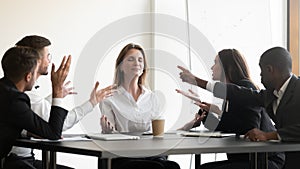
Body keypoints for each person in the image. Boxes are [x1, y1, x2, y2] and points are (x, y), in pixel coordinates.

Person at [178, 46, 300, 169]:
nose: (260, 74)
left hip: (267, 159)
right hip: (279, 159)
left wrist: (269, 135)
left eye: (262, 70)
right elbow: (238, 94)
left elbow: (244, 126)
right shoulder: (272, 94)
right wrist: (198, 84)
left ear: (270, 69)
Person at [4, 35, 115, 169]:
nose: (50, 60)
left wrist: (25, 131)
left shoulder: (8, 91)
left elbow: (16, 118)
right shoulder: (20, 97)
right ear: (36, 62)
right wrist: (60, 94)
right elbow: (56, 130)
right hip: (15, 162)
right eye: (48, 56)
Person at [99, 43, 180, 169]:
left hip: (151, 154)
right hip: (123, 157)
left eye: (140, 60)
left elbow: (158, 132)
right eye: (131, 59)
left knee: (172, 166)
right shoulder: (109, 98)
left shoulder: (152, 97)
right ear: (120, 67)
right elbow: (110, 137)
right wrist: (107, 132)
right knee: (156, 168)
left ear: (143, 68)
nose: (136, 63)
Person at [0, 46, 69, 161]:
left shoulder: (4, 90)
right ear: (28, 76)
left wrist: (27, 132)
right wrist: (57, 90)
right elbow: (53, 133)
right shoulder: (15, 100)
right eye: (36, 72)